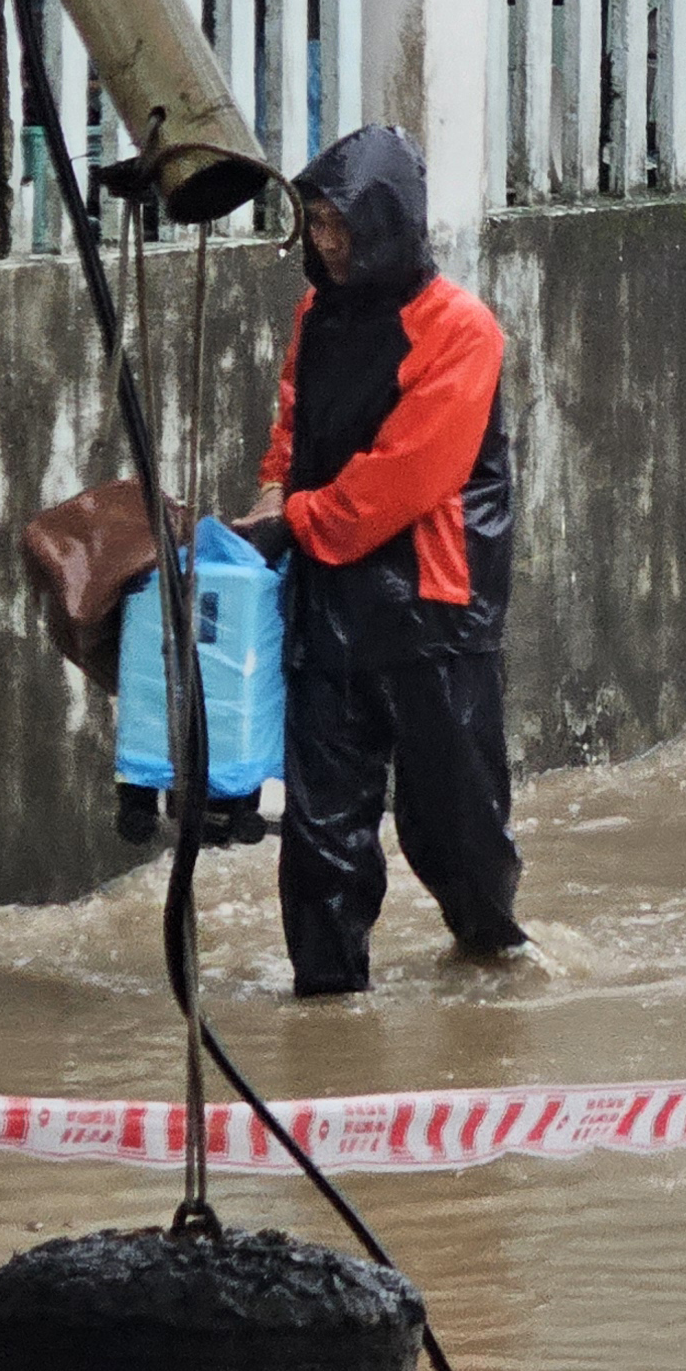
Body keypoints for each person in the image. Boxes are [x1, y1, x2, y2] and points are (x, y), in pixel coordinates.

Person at [239, 124, 528, 996]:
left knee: (456, 828)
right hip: (327, 596)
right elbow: (293, 426)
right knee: (321, 831)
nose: (324, 243)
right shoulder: (314, 314)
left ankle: (493, 958)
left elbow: (410, 474)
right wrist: (268, 499)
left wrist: (292, 520)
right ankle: (327, 1003)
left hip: (435, 606)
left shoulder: (463, 330)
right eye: (315, 224)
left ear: (388, 224)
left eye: (339, 225)